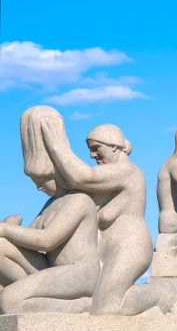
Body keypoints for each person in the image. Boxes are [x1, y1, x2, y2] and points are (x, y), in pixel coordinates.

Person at [40, 121, 177, 316]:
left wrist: (57, 145)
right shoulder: (105, 179)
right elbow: (67, 186)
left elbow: (81, 176)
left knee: (106, 309)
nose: (92, 155)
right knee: (96, 305)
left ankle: (162, 292)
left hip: (130, 247)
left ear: (114, 146)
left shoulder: (129, 171)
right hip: (104, 253)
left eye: (96, 148)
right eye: (90, 150)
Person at [0, 108, 100, 314]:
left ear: (58, 171)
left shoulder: (79, 200)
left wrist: (5, 230)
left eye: (42, 180)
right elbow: (29, 239)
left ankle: (80, 306)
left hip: (78, 274)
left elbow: (46, 240)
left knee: (9, 300)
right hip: (53, 269)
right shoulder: (51, 204)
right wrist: (10, 228)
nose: (38, 187)